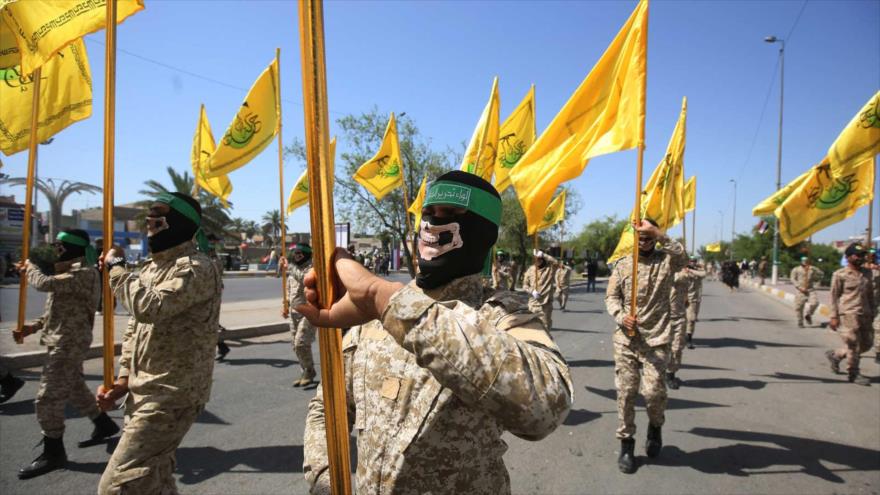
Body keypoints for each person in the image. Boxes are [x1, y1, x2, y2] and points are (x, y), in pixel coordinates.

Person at [298, 171, 572, 493]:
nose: (433, 224)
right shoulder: (375, 317)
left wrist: (381, 297)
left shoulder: (501, 317)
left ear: (483, 232)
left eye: (452, 215)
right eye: (428, 213)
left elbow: (545, 407)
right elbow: (328, 408)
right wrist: (325, 479)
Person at [95, 192, 222, 494]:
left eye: (159, 216)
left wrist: (116, 268)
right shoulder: (151, 269)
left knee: (116, 486)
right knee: (154, 479)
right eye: (148, 217)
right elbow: (135, 329)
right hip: (142, 390)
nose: (150, 221)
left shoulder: (196, 268)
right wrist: (123, 378)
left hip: (171, 394)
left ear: (180, 223)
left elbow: (149, 308)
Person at [15, 229, 120, 480]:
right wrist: (34, 327)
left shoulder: (84, 273)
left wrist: (30, 266)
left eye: (59, 247)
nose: (55, 251)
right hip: (59, 339)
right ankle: (103, 423)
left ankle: (53, 451)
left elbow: (44, 284)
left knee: (48, 397)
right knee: (74, 388)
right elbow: (57, 310)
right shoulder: (68, 273)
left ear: (72, 249)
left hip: (68, 343)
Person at [605, 218, 687, 474]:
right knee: (627, 393)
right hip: (627, 340)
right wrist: (620, 315)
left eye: (649, 237)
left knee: (653, 394)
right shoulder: (622, 265)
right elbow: (611, 297)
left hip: (656, 340)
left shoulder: (666, 261)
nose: (646, 241)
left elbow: (683, 257)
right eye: (641, 237)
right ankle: (626, 444)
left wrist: (660, 233)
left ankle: (655, 426)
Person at [825, 243, 874, 386]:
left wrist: (873, 311)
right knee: (853, 344)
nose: (860, 258)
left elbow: (870, 294)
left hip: (865, 314)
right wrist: (833, 316)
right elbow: (833, 296)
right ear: (848, 257)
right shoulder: (840, 274)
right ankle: (853, 373)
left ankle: (836, 355)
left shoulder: (868, 273)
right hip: (848, 314)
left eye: (862, 255)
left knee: (866, 344)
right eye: (857, 255)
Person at [280, 243, 317, 387]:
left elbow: (304, 279)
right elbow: (289, 289)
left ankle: (308, 371)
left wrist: (289, 266)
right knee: (295, 346)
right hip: (293, 312)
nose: (297, 256)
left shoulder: (311, 269)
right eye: (295, 254)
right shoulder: (293, 269)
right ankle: (306, 371)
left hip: (308, 311)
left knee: (301, 343)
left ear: (306, 254)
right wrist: (285, 305)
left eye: (300, 254)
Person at [523, 250, 558, 330]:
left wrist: (543, 254)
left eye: (539, 259)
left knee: (545, 328)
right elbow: (524, 285)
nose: (537, 261)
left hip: (545, 305)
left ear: (543, 259)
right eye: (536, 259)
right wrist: (531, 291)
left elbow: (556, 262)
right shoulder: (530, 270)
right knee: (532, 328)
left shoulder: (550, 269)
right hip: (533, 304)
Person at [791, 256, 824, 328]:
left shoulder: (812, 269)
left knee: (815, 303)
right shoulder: (796, 269)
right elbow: (793, 279)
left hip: (810, 289)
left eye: (806, 261)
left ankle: (808, 314)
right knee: (799, 307)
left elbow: (821, 274)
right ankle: (800, 322)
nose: (805, 262)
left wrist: (817, 284)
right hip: (800, 290)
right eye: (803, 261)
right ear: (801, 261)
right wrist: (799, 287)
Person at [684, 257, 706, 350]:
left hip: (692, 299)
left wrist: (691, 270)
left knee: (691, 319)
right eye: (690, 261)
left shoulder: (697, 270)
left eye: (694, 261)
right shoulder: (682, 269)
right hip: (680, 298)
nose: (692, 262)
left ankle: (689, 338)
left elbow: (703, 274)